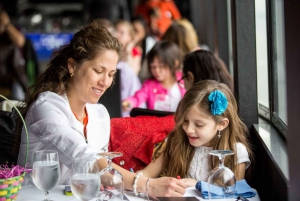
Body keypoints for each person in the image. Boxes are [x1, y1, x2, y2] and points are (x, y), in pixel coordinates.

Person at [17, 21, 186, 198]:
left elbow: (99, 173)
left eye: (111, 74)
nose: (105, 82)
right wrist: (146, 185)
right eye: (98, 71)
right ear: (72, 66)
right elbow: (83, 156)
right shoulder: (46, 107)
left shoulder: (99, 114)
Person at [139, 80, 254, 187]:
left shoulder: (236, 152)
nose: (188, 129)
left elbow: (236, 194)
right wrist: (129, 179)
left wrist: (198, 185)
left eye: (199, 125)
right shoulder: (175, 142)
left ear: (221, 124)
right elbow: (146, 174)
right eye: (185, 121)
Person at [122, 40, 186, 112]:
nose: (156, 70)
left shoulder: (184, 80)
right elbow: (137, 98)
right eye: (153, 67)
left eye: (161, 66)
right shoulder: (149, 85)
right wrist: (128, 104)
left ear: (175, 64)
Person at [0, 8, 27, 100]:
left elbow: (20, 41)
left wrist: (7, 24)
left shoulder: (11, 32)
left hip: (13, 79)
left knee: (18, 101)